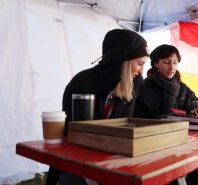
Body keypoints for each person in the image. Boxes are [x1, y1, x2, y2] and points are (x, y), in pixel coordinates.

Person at [46, 29, 148, 185]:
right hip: (79, 161)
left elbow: (127, 126)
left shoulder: (134, 84)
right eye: (140, 64)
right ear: (123, 60)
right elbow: (72, 134)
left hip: (116, 159)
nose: (141, 70)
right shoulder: (82, 82)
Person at [134, 44, 198, 185]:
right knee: (172, 179)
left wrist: (197, 104)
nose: (172, 67)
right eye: (167, 62)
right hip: (154, 144)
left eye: (175, 62)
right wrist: (162, 119)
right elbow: (138, 119)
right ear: (156, 63)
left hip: (182, 140)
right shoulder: (144, 88)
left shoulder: (181, 87)